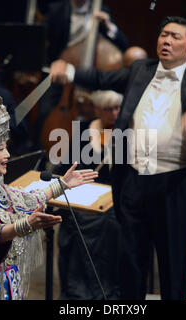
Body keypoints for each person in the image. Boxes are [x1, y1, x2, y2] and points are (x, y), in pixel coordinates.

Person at [50, 15, 186, 300]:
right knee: (131, 263)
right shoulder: (140, 70)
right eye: (163, 35)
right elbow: (102, 78)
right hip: (133, 182)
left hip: (174, 185)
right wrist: (70, 72)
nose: (167, 41)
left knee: (172, 265)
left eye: (175, 37)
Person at [0, 86, 98, 300]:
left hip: (7, 279)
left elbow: (29, 199)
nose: (8, 154)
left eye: (6, 147)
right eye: (1, 149)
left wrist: (62, 184)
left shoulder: (0, 189)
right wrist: (27, 224)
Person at [32, 0, 129, 150]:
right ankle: (41, 152)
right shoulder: (57, 9)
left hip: (92, 73)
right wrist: (50, 62)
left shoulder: (102, 9)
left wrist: (109, 27)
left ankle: (93, 152)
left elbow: (123, 45)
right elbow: (39, 39)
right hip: (61, 73)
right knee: (45, 110)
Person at [54, 90, 123, 299]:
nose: (113, 113)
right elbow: (67, 166)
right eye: (107, 109)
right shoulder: (83, 131)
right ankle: (78, 292)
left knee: (111, 224)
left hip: (114, 200)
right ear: (96, 110)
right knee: (75, 222)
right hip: (84, 197)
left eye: (117, 108)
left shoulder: (127, 132)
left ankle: (108, 290)